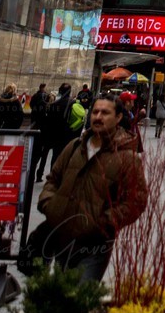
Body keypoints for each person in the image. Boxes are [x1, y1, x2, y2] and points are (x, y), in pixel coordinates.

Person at [35, 94, 147, 279]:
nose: (98, 117)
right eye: (95, 112)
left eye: (105, 112)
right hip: (63, 237)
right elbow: (53, 179)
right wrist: (50, 205)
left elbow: (137, 200)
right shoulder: (74, 147)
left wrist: (104, 221)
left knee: (81, 298)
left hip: (95, 244)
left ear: (118, 118)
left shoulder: (127, 158)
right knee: (60, 294)